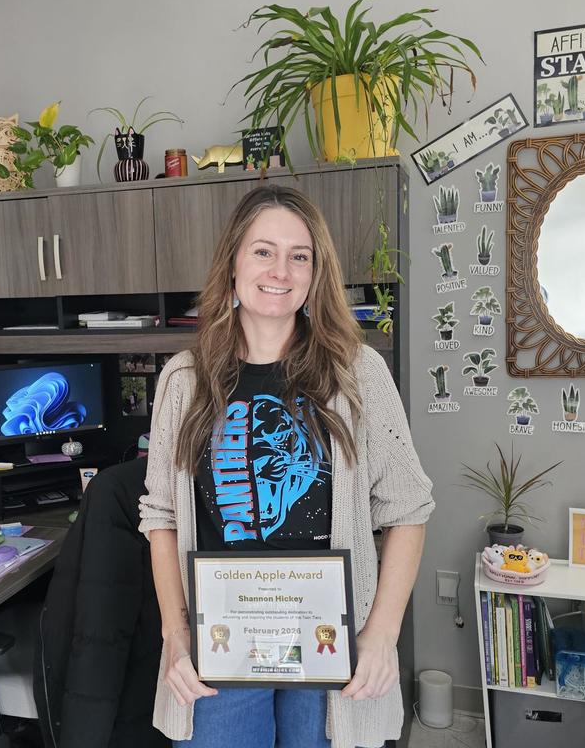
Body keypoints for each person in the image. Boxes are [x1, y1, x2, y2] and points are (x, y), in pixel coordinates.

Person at [138, 185, 434, 748]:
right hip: (219, 644)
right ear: (233, 265)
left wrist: (381, 635)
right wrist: (175, 636)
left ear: (315, 273)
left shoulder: (358, 373)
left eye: (300, 255)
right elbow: (161, 516)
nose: (281, 270)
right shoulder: (183, 380)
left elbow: (409, 509)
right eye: (263, 251)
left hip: (331, 641)